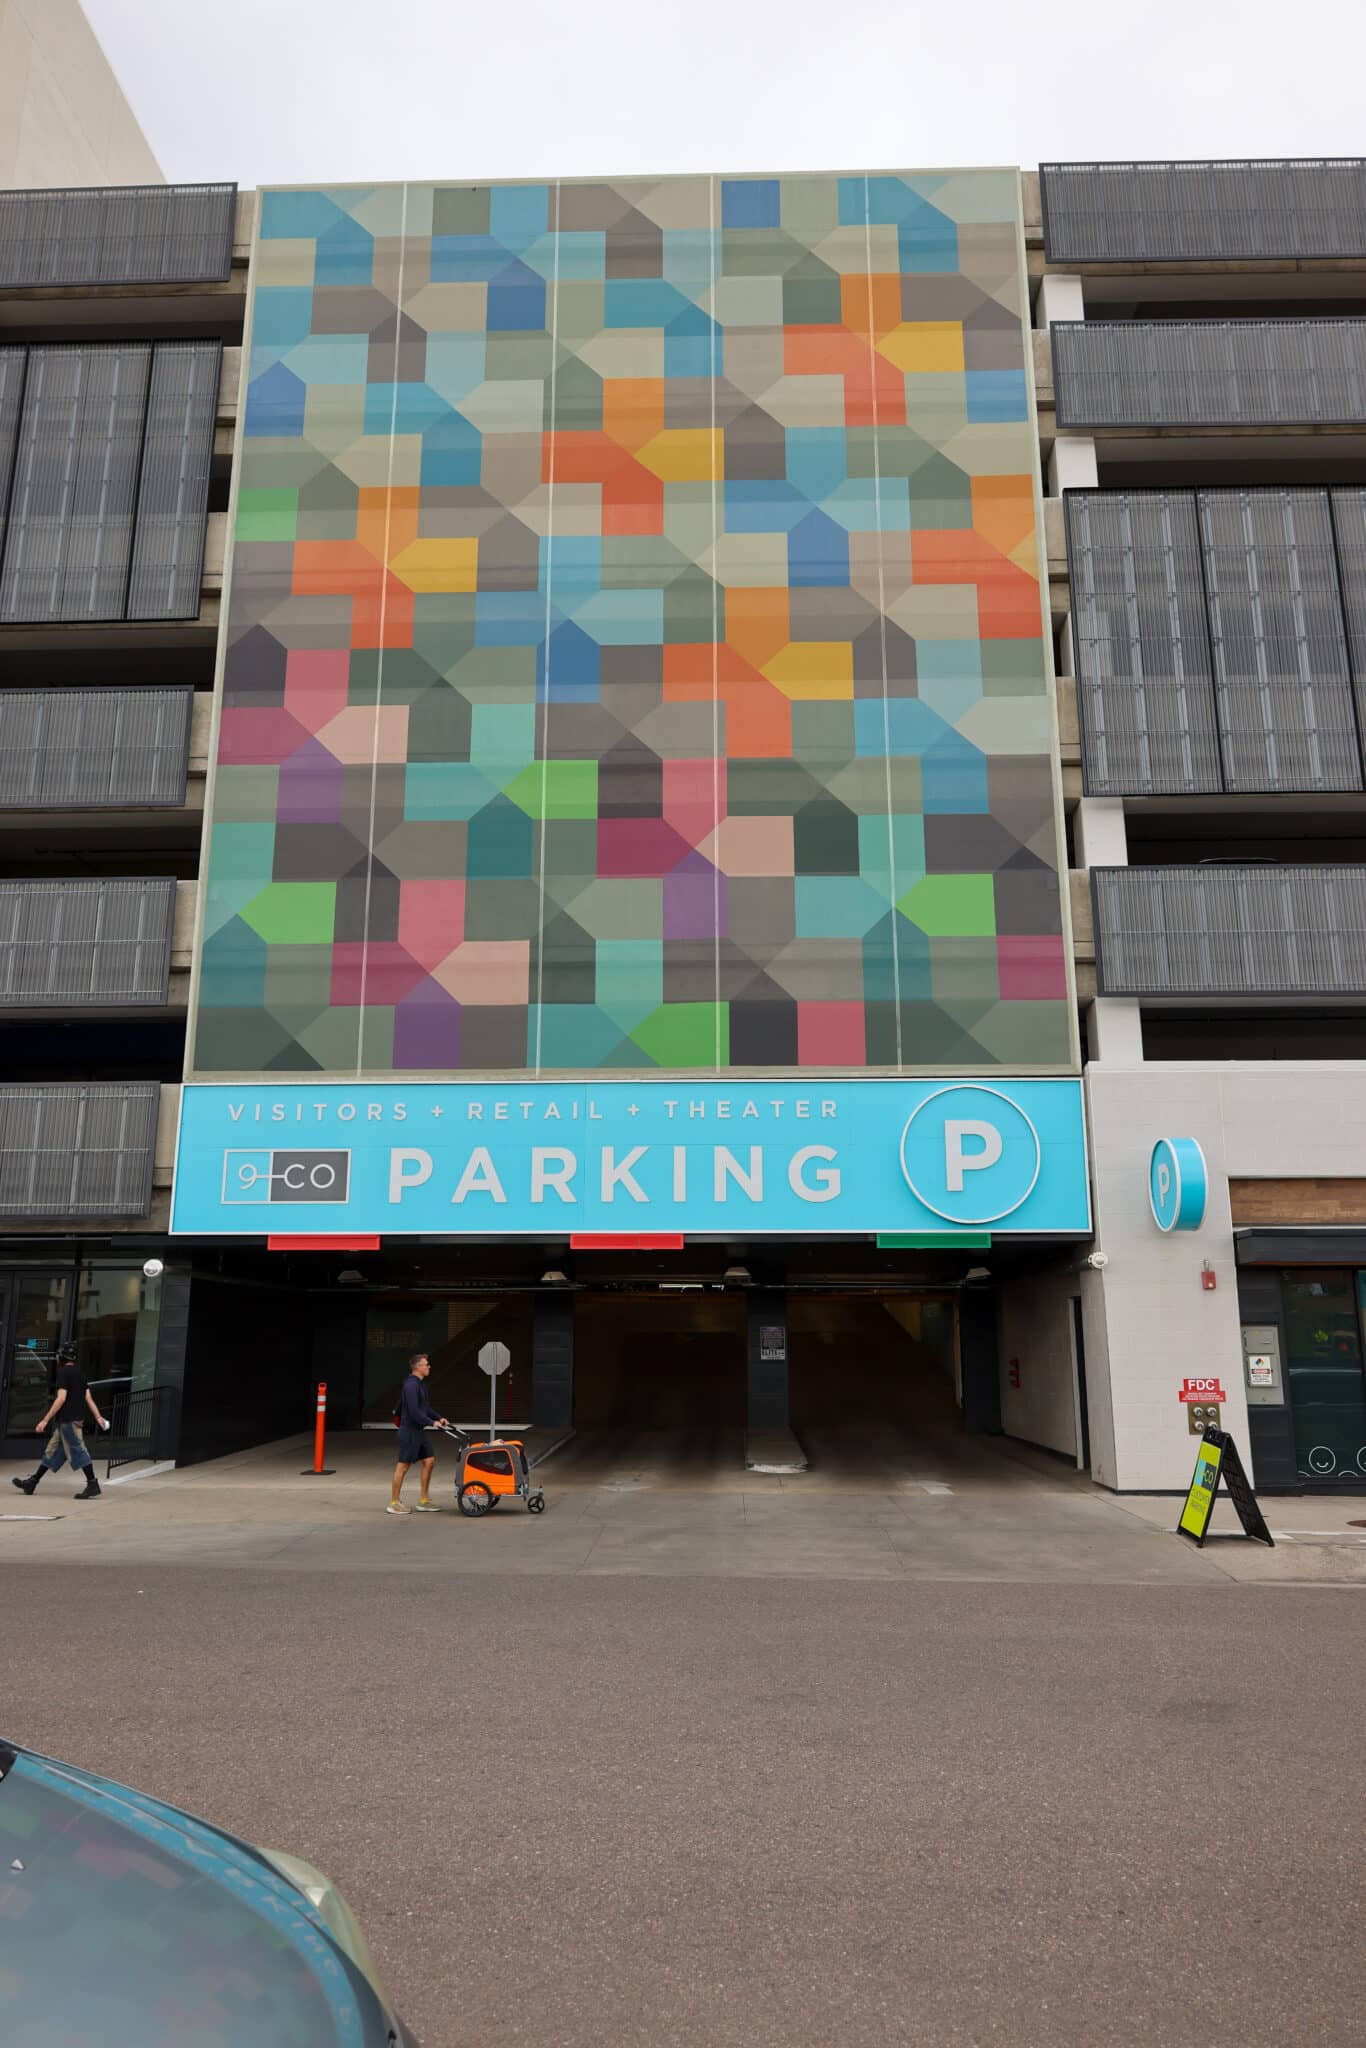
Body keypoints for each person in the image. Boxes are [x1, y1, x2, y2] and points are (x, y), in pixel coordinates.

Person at [12, 1343, 109, 1500]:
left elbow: (61, 1399)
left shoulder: (63, 1373)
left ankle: (92, 1484)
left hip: (68, 1421)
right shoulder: (80, 1373)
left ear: (62, 1357)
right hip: (71, 1421)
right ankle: (33, 1482)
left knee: (79, 1450)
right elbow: (88, 1398)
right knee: (52, 1451)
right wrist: (98, 1417)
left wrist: (45, 1420)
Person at [387, 1352, 448, 1515]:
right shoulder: (410, 1385)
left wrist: (439, 1417)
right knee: (403, 1465)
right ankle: (393, 1502)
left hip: (419, 1431)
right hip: (409, 1431)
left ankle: (423, 1500)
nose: (429, 1367)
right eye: (426, 1364)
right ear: (418, 1367)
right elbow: (414, 1411)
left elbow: (425, 1408)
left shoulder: (421, 1384)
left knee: (429, 1461)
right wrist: (431, 1422)